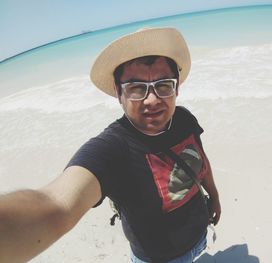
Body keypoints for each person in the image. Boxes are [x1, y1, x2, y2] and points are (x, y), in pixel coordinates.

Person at [0, 27, 221, 263]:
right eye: (136, 88)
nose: (153, 99)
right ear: (118, 93)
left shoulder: (184, 119)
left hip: (198, 235)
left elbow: (200, 159)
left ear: (177, 87)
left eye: (163, 85)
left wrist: (214, 195)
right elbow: (56, 206)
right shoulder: (113, 149)